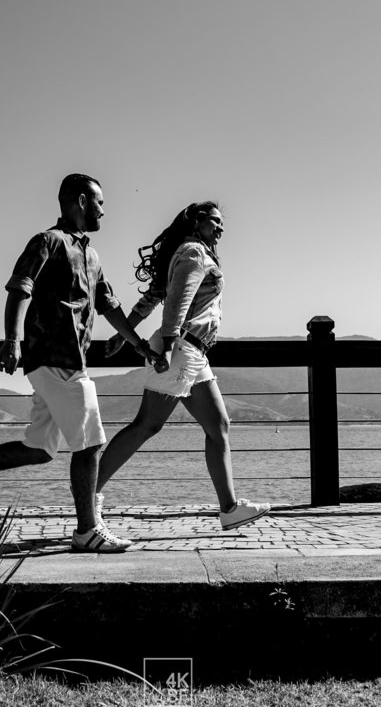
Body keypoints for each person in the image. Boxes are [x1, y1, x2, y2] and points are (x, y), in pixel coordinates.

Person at [0, 173, 164, 553]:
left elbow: (108, 304)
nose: (104, 211)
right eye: (99, 203)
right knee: (90, 444)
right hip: (53, 360)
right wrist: (12, 340)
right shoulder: (47, 242)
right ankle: (87, 530)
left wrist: (138, 344)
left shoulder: (91, 255)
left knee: (39, 449)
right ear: (80, 201)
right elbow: (19, 286)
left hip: (72, 361)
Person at [97, 201, 269, 530]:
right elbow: (178, 301)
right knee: (147, 425)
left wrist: (125, 335)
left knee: (218, 426)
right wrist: (168, 343)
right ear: (197, 222)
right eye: (215, 221)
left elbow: (153, 297)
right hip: (181, 347)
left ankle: (230, 508)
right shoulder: (193, 253)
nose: (221, 228)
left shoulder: (186, 252)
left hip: (193, 352)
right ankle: (88, 494)